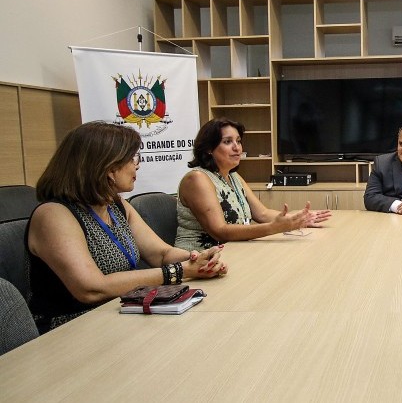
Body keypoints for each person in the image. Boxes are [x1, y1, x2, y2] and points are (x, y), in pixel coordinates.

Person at [26, 121, 227, 334]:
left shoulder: (116, 204)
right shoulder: (53, 215)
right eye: (132, 158)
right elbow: (91, 288)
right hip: (70, 328)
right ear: (108, 167)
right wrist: (179, 271)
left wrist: (197, 258)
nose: (137, 165)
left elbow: (161, 253)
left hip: (119, 312)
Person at [175, 118, 330, 251]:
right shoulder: (197, 179)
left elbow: (262, 213)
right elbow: (220, 231)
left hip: (234, 251)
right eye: (228, 142)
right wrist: (273, 228)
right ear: (209, 148)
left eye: (238, 141)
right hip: (199, 259)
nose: (237, 147)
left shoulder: (233, 176)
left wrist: (296, 219)